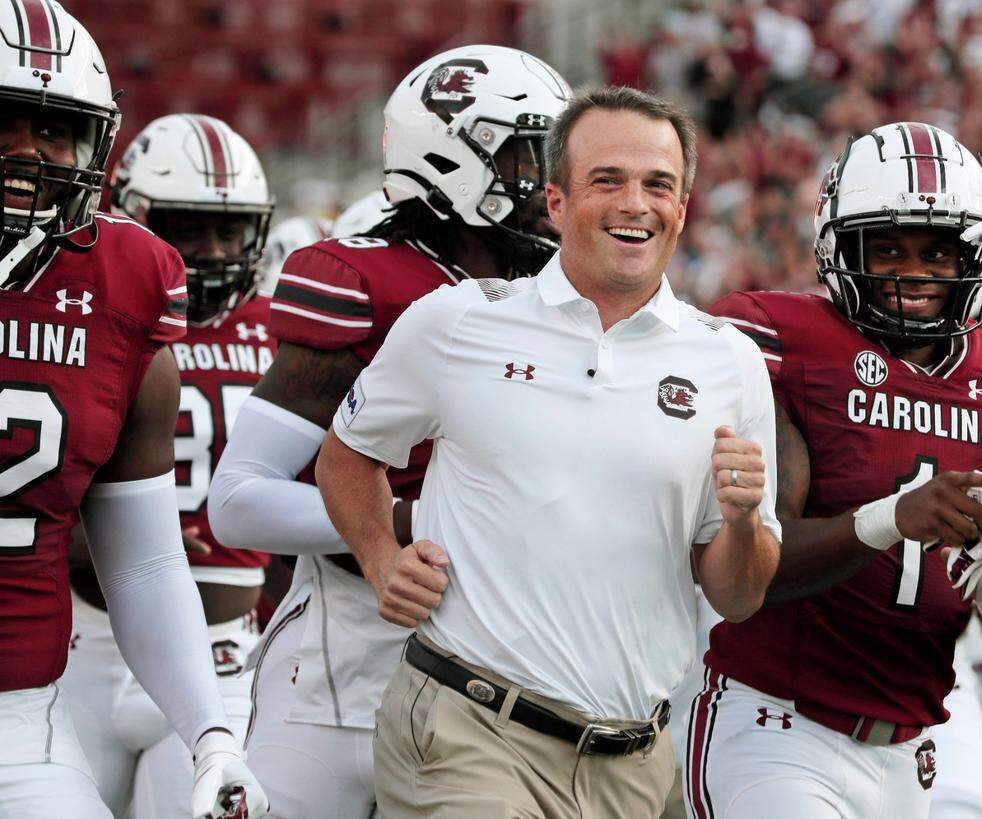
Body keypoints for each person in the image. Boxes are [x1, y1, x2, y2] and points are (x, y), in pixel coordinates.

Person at [315, 85, 782, 818]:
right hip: (468, 731)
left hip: (632, 761)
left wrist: (744, 521)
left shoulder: (729, 360)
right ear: (557, 203)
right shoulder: (458, 322)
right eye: (608, 180)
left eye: (658, 184)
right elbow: (346, 454)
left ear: (683, 209)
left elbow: (737, 593)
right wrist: (380, 558)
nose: (636, 203)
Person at [206, 45, 572, 818]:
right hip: (345, 668)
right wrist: (408, 520)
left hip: (501, 670)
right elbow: (239, 500)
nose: (550, 184)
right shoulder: (366, 283)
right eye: (528, 156)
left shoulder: (560, 297)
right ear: (451, 158)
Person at [689, 122, 982, 819]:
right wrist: (890, 518)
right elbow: (756, 571)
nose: (914, 272)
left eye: (940, 252)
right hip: (779, 725)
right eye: (887, 247)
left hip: (914, 750)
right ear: (840, 248)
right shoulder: (791, 349)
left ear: (977, 256)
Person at [0, 4, 267, 818]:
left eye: (55, 131)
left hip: (19, 713)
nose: (28, 156)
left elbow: (146, 563)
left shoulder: (122, 282)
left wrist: (212, 736)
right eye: (4, 123)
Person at [58, 113, 276, 818]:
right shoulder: (88, 318)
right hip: (79, 641)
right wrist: (95, 542)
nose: (212, 252)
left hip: (224, 660)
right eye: (188, 228)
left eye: (230, 230)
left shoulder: (288, 333)